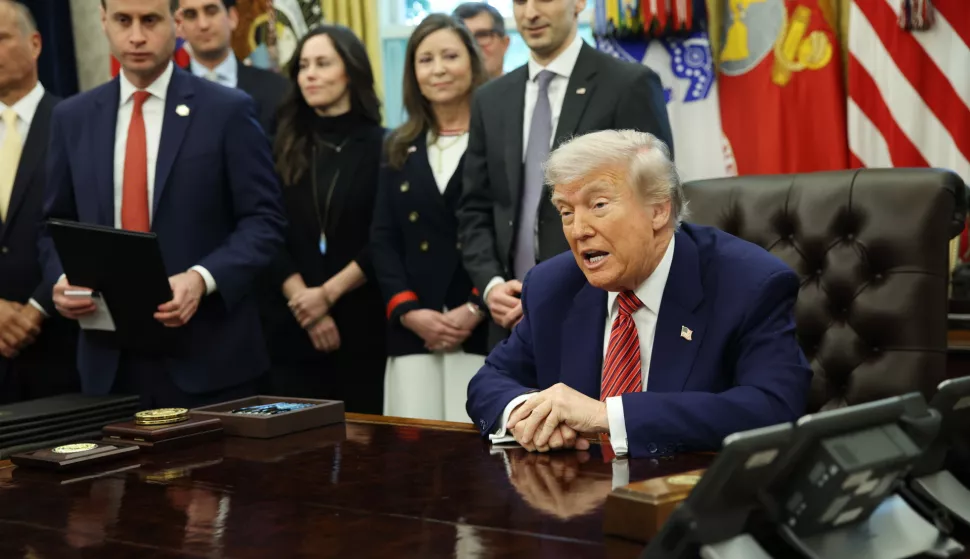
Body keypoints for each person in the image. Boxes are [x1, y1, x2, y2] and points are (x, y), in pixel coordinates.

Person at [466, 130, 812, 458]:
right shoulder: (552, 286)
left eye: (598, 205)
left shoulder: (748, 283)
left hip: (694, 499)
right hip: (575, 501)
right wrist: (529, 415)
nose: (578, 231)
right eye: (566, 212)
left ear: (658, 210)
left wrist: (609, 417)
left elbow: (774, 406)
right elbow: (490, 381)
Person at [38, 0, 286, 409]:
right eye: (123, 21)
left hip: (210, 358)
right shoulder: (72, 117)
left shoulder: (227, 110)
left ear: (176, 22)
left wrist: (202, 279)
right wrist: (61, 278)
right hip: (108, 365)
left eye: (149, 20)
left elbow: (265, 221)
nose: (136, 36)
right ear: (103, 22)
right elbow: (52, 224)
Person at [457, 0, 673, 349]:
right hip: (509, 318)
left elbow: (655, 201)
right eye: (520, 2)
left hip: (603, 314)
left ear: (578, 4)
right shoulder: (490, 99)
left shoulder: (627, 84)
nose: (529, 14)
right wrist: (491, 285)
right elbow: (475, 208)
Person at [372, 14, 489, 423]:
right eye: (425, 59)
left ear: (473, 63)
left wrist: (476, 308)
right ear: (412, 73)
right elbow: (382, 239)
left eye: (450, 56)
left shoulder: (498, 138)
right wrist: (409, 311)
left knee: (481, 458)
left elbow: (507, 232)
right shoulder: (397, 146)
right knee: (415, 457)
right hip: (413, 326)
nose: (438, 69)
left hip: (481, 325)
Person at [263, 25, 386, 413]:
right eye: (302, 65)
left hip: (361, 320)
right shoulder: (280, 142)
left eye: (322, 63)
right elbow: (266, 227)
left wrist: (328, 295)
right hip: (291, 321)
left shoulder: (385, 145)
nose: (309, 74)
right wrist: (306, 303)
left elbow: (383, 236)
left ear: (349, 72)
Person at [0, 0, 78, 402]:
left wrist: (36, 307)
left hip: (62, 345)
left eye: (0, 39)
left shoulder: (76, 121)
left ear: (35, 44)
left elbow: (84, 225)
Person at [176, 0, 289, 135]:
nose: (203, 24)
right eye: (191, 15)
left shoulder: (277, 89)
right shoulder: (169, 93)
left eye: (211, 11)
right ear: (181, 26)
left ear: (232, 18)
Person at [452, 2, 509, 80]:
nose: (473, 45)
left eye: (482, 35)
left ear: (505, 43)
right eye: (464, 37)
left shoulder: (524, 89)